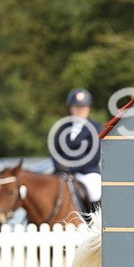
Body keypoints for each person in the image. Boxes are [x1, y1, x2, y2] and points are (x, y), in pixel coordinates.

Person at [49, 88, 102, 217]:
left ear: (89, 108)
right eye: (76, 107)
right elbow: (55, 150)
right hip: (62, 173)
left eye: (83, 107)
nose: (80, 110)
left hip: (87, 172)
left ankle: (94, 221)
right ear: (70, 108)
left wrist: (72, 167)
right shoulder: (63, 128)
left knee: (94, 190)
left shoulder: (96, 128)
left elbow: (95, 155)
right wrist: (59, 166)